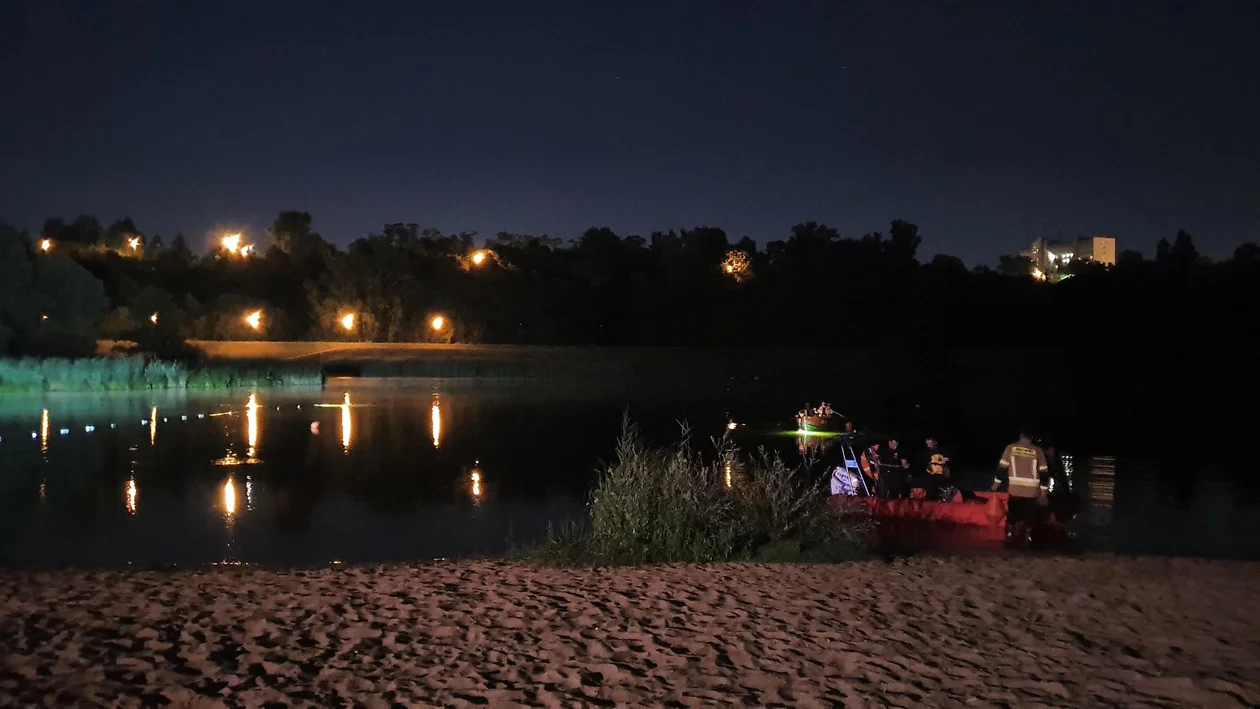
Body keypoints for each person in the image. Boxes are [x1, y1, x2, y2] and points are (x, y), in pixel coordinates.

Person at [993, 430, 1050, 546]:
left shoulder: (1010, 448)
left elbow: (1001, 469)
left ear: (1020, 436)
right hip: (1032, 492)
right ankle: (1028, 537)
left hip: (1015, 490)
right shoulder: (1038, 451)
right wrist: (1044, 492)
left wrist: (995, 485)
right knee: (1030, 516)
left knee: (1012, 514)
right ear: (1032, 437)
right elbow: (1044, 473)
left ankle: (1009, 535)